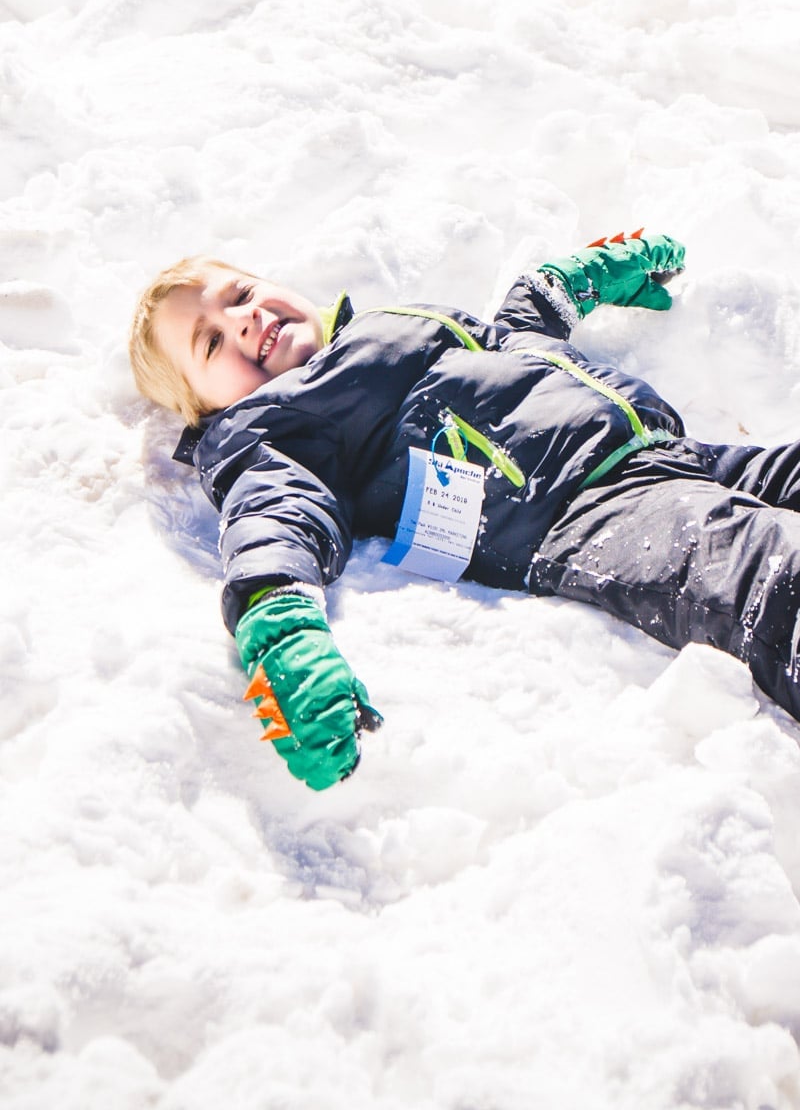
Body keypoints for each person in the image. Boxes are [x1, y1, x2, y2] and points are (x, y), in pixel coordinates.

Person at [129, 232, 800, 790]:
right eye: (210, 343)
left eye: (239, 294)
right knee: (767, 574)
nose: (241, 319)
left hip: (668, 451)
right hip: (588, 514)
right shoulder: (274, 433)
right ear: (205, 408)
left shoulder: (380, 330)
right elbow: (274, 520)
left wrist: (566, 280)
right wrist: (279, 623)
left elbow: (506, 342)